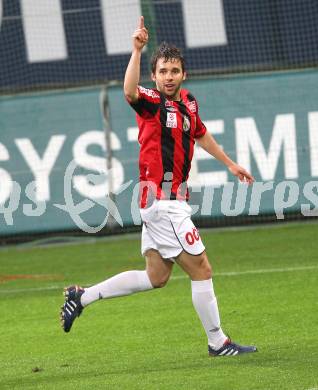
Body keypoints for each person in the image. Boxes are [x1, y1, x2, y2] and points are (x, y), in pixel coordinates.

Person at [60, 16, 257, 357]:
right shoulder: (152, 103)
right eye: (163, 71)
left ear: (184, 74)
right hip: (162, 201)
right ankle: (218, 342)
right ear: (155, 76)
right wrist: (136, 51)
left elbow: (200, 134)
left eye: (174, 71)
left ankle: (83, 296)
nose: (168, 77)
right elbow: (128, 91)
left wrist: (230, 163)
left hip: (168, 202)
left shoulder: (188, 104)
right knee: (202, 268)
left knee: (156, 276)